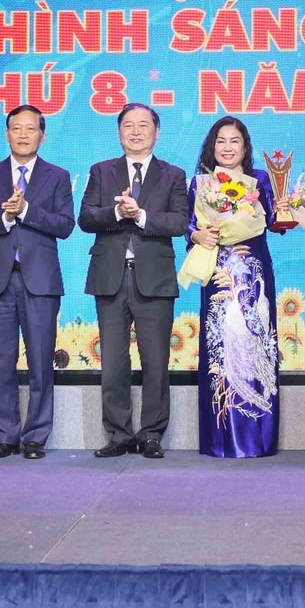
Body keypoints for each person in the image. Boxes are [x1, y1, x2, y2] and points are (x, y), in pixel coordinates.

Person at [78, 103, 190, 459]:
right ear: (119, 132)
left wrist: (140, 215)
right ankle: (119, 434)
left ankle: (152, 433)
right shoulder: (101, 171)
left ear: (157, 131)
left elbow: (179, 222)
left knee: (155, 361)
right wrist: (116, 212)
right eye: (128, 125)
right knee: (113, 362)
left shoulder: (173, 175)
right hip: (110, 276)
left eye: (144, 125)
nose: (136, 131)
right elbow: (85, 218)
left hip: (154, 278)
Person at [0, 105, 73, 459]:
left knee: (41, 362)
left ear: (42, 135)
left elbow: (65, 225)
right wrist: (5, 218)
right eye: (16, 128)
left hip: (40, 283)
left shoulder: (57, 176)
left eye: (30, 129)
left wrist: (26, 211)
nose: (23, 135)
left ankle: (36, 436)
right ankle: (5, 434)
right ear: (6, 134)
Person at [190, 116, 281, 459]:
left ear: (245, 147)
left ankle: (257, 438)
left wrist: (284, 210)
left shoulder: (261, 180)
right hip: (218, 273)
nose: (227, 148)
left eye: (234, 141)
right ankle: (219, 440)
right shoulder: (201, 184)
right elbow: (189, 225)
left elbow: (275, 222)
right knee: (220, 347)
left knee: (255, 342)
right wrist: (198, 235)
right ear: (212, 147)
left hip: (254, 272)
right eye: (221, 141)